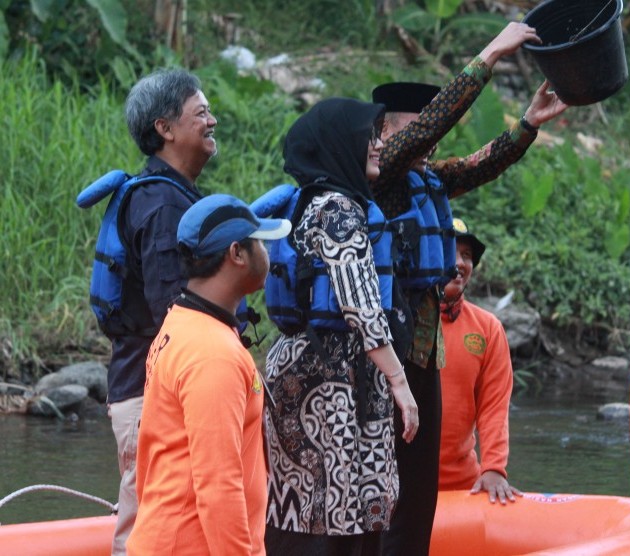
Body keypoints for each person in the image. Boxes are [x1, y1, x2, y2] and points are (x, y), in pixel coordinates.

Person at [370, 21, 569, 555]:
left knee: (418, 493)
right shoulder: (378, 175)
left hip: (424, 350)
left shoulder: (427, 177)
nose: (428, 140)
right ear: (386, 134)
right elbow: (431, 125)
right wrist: (490, 54)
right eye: (417, 129)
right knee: (380, 483)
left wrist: (526, 125)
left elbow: (482, 164)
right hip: (379, 351)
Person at [262, 97, 418, 556]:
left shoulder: (310, 201)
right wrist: (400, 383)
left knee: (310, 501)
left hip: (320, 364)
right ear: (337, 145)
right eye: (366, 137)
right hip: (329, 373)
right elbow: (361, 307)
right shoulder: (338, 210)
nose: (376, 146)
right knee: (330, 504)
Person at [126, 193, 291, 555]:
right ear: (237, 254)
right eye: (260, 243)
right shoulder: (212, 354)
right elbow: (218, 486)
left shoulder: (183, 322)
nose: (269, 253)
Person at [105, 68, 216, 555]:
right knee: (147, 525)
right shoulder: (162, 203)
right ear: (164, 129)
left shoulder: (167, 194)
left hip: (154, 386)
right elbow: (176, 310)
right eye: (201, 111)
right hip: (156, 392)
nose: (212, 120)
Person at [438, 218, 520, 504]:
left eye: (467, 256)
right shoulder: (399, 320)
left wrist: (494, 467)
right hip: (399, 482)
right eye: (449, 251)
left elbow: (494, 406)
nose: (459, 263)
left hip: (464, 486)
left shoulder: (488, 327)